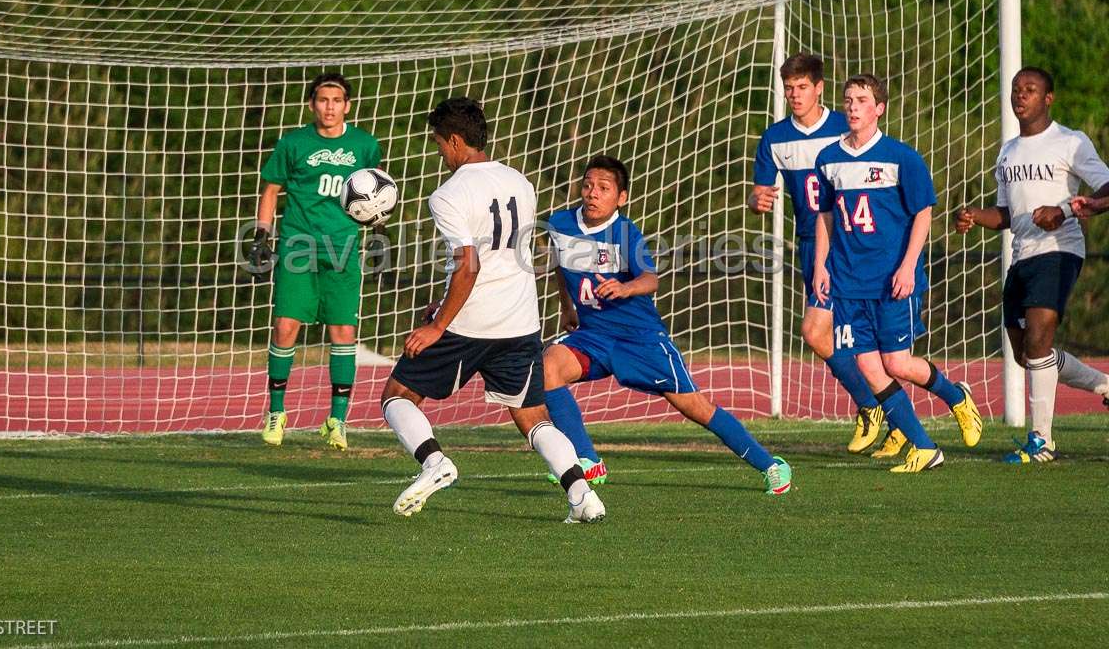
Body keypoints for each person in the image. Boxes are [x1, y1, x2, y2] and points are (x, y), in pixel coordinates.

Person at [379, 97, 606, 523]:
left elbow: (471, 264)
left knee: (397, 395)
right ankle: (582, 496)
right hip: (519, 320)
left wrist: (437, 325)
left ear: (455, 141)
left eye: (439, 145)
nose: (439, 153)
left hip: (470, 322)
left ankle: (434, 463)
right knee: (533, 417)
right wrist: (444, 302)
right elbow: (499, 258)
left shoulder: (448, 194)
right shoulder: (521, 182)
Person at [541, 155, 793, 496]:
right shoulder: (560, 223)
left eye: (603, 188)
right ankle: (588, 461)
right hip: (593, 336)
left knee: (695, 407)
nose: (592, 194)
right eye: (587, 185)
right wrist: (566, 307)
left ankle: (771, 465)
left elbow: (650, 279)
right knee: (548, 367)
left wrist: (625, 287)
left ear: (622, 197)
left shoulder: (625, 233)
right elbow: (560, 262)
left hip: (640, 339)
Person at [814, 74, 983, 473]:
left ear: (879, 108)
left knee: (898, 364)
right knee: (869, 368)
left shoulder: (901, 157)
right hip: (847, 281)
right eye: (848, 99)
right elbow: (825, 216)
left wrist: (908, 266)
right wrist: (822, 264)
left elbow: (923, 213)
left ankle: (955, 396)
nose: (852, 106)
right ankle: (925, 447)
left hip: (892, 279)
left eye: (862, 99)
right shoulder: (828, 159)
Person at [953, 67, 1109, 460]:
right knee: (1028, 356)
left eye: (1030, 90)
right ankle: (1106, 386)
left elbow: (1106, 188)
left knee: (1039, 342)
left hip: (1059, 251)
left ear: (1048, 98)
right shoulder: (1008, 151)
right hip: (1021, 255)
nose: (1021, 96)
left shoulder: (1070, 142)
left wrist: (1068, 211)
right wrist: (975, 215)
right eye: (1016, 90)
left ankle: (1041, 441)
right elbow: (1006, 215)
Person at [748, 53, 884, 452]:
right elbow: (759, 191)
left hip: (855, 247)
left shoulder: (846, 126)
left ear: (819, 87)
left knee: (839, 334)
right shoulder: (775, 138)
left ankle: (877, 409)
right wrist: (756, 199)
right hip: (813, 245)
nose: (794, 94)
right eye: (788, 88)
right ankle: (879, 410)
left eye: (802, 87)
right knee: (827, 336)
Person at [249, 73, 382, 450]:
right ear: (312, 104)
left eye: (336, 100)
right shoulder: (293, 143)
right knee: (286, 326)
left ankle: (337, 420)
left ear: (347, 106)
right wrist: (262, 233)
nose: (329, 107)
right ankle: (276, 413)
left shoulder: (364, 145)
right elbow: (271, 189)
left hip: (342, 248)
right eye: (323, 100)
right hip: (297, 245)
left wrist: (378, 232)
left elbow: (374, 193)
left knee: (343, 333)